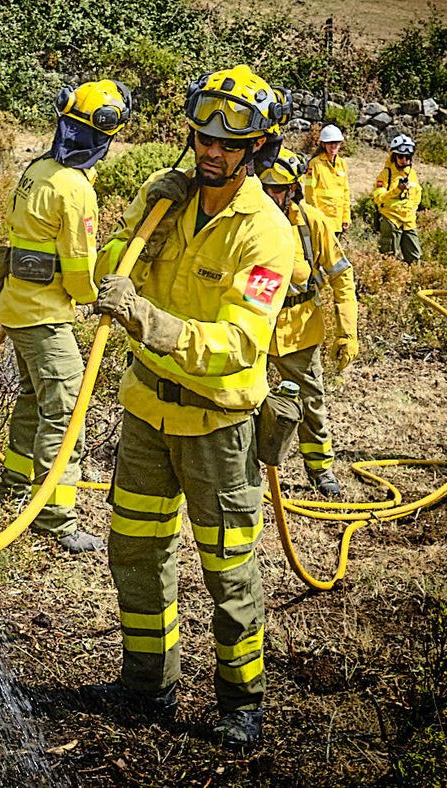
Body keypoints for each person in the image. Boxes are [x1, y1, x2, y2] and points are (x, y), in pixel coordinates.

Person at [85, 65, 296, 752]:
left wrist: (149, 322)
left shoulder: (265, 233)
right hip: (148, 411)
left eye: (227, 145)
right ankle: (149, 682)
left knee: (226, 567)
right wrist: (146, 209)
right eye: (202, 138)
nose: (210, 152)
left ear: (258, 150)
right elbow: (112, 274)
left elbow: (238, 345)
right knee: (137, 552)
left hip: (218, 427)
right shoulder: (171, 203)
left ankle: (241, 701)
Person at [0, 80, 131, 554]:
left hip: (15, 308)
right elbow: (77, 272)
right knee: (66, 411)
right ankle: (55, 516)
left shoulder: (39, 169)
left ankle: (13, 480)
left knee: (33, 396)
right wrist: (98, 295)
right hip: (46, 317)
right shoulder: (75, 189)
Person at [258, 150, 359, 496]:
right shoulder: (244, 220)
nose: (271, 196)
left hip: (298, 330)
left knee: (310, 401)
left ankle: (320, 470)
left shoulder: (312, 223)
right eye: (265, 187)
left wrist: (347, 332)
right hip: (250, 328)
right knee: (239, 399)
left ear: (293, 189)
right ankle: (242, 467)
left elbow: (341, 277)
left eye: (279, 189)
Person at [371, 133, 421, 263]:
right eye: (400, 156)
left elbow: (417, 193)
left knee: (415, 257)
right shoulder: (385, 175)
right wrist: (397, 190)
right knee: (388, 258)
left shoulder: (412, 174)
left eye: (407, 156)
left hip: (408, 220)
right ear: (394, 156)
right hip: (391, 220)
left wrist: (414, 208)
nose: (404, 159)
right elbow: (378, 198)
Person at [303, 124, 352, 234]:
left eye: (336, 143)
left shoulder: (342, 164)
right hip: (322, 219)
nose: (333, 146)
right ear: (323, 144)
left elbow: (345, 192)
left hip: (338, 219)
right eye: (330, 143)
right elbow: (310, 192)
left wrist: (346, 217)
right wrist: (316, 217)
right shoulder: (315, 164)